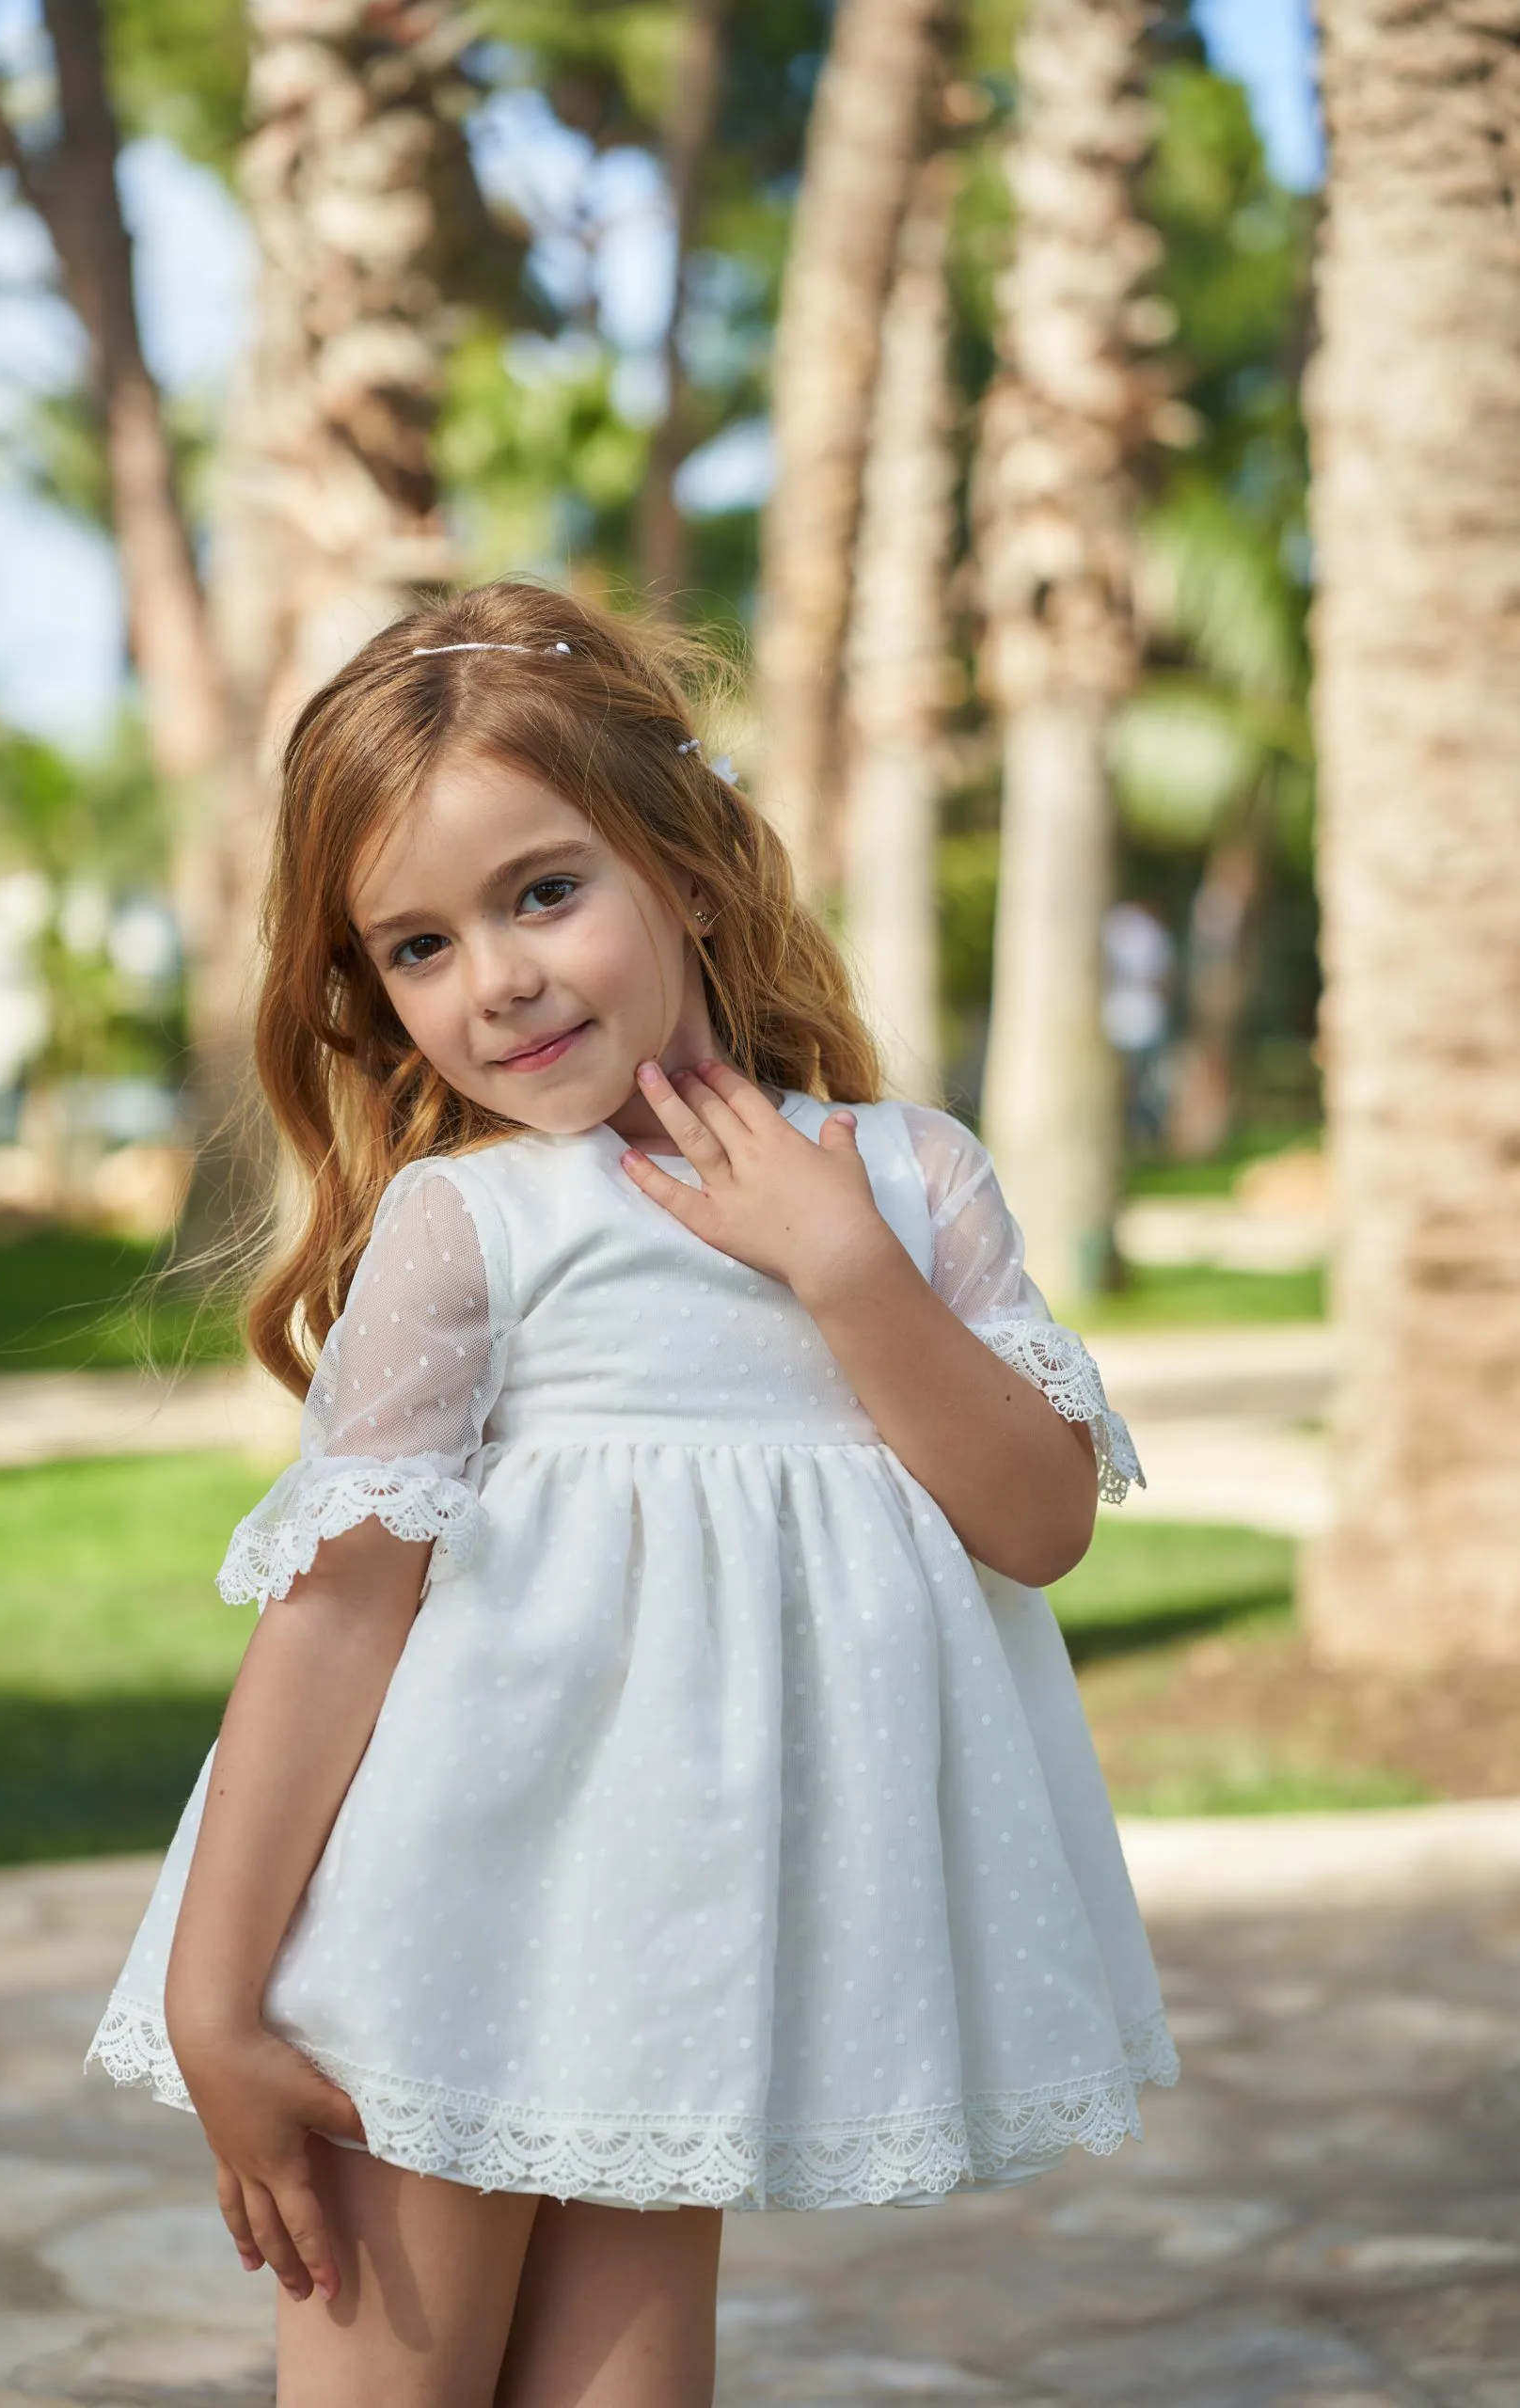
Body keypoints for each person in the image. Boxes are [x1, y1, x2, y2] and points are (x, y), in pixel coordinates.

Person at [87, 581, 1177, 2405]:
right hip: (429, 1950)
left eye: (541, 891)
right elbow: (338, 1613)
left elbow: (1039, 1520)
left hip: (665, 1967)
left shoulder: (908, 1183)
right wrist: (216, 1996)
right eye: (417, 946)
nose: (494, 978)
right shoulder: (475, 1229)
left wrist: (846, 1272)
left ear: (681, 862)